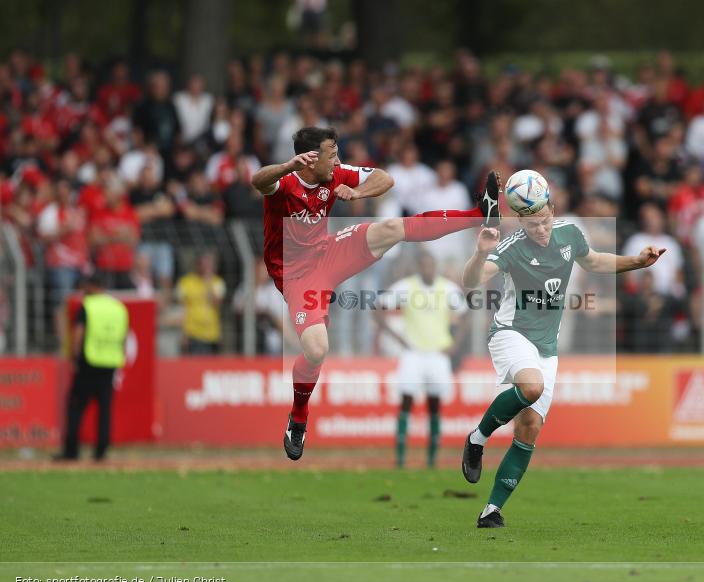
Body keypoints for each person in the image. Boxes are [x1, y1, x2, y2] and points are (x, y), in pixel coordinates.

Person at [250, 126, 501, 462]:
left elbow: (384, 178)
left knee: (392, 227)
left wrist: (359, 194)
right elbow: (259, 181)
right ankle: (298, 415)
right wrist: (287, 165)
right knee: (316, 348)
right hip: (296, 275)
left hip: (327, 253)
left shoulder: (335, 173)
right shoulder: (287, 182)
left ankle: (478, 215)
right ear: (310, 158)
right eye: (331, 153)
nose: (337, 159)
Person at [459, 201, 664, 528]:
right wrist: (481, 253)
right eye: (531, 225)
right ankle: (477, 439)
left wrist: (638, 262)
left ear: (552, 210)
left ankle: (491, 510)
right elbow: (471, 281)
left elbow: (595, 261)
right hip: (511, 332)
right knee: (531, 386)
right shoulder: (512, 246)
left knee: (529, 429)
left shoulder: (569, 234)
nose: (540, 230)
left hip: (546, 346)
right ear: (521, 222)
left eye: (544, 221)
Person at [374, 250, 467, 468]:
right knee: (406, 401)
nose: (428, 269)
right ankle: (400, 458)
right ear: (418, 267)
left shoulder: (448, 288)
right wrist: (396, 336)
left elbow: (465, 316)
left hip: (438, 353)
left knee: (434, 404)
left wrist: (455, 344)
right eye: (424, 265)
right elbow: (378, 307)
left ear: (436, 266)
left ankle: (432, 460)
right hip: (413, 353)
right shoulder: (407, 287)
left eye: (431, 265)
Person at [56, 274, 129, 461]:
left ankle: (71, 450)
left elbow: (78, 334)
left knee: (76, 406)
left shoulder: (88, 306)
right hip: (110, 362)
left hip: (89, 362)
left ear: (91, 286)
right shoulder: (118, 308)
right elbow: (123, 335)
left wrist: (74, 356)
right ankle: (101, 451)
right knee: (105, 409)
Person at [175, 252, 226, 354]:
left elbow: (217, 303)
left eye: (210, 265)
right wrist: (183, 333)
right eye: (204, 264)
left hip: (212, 334)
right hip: (193, 334)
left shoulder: (217, 282)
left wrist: (208, 283)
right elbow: (180, 309)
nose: (207, 267)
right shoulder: (186, 282)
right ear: (197, 265)